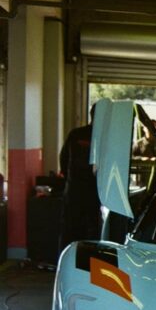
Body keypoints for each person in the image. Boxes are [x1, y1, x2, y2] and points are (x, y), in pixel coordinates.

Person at [59, 104, 101, 252]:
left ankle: (65, 260)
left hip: (73, 190)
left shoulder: (76, 134)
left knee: (69, 229)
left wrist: (69, 180)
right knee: (92, 231)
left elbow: (63, 159)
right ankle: (90, 262)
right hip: (94, 191)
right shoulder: (104, 137)